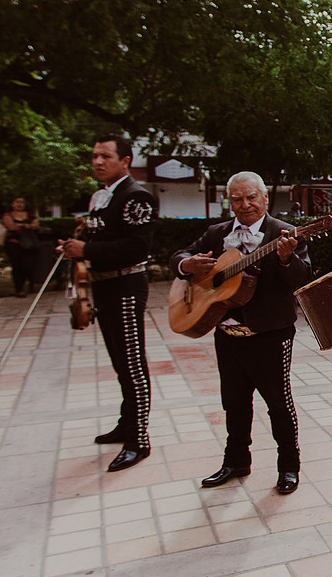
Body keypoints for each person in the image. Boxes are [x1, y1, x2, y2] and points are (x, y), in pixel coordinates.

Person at [171, 172, 311, 494]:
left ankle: (289, 467)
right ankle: (236, 461)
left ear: (264, 198)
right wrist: (188, 265)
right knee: (234, 403)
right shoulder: (217, 234)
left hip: (270, 336)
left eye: (251, 197)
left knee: (279, 403)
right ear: (229, 201)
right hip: (226, 335)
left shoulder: (285, 233)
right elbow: (178, 258)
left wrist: (287, 259)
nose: (244, 204)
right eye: (237, 199)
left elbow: (302, 278)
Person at [60, 135, 156, 472]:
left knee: (132, 362)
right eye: (95, 156)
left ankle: (138, 440)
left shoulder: (137, 196)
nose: (98, 162)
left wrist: (85, 250)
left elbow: (136, 248)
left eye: (106, 156)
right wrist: (78, 244)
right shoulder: (100, 196)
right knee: (119, 361)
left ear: (126, 160)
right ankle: (125, 422)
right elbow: (102, 238)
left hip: (127, 285)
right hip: (103, 286)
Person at [0, 197, 40, 296]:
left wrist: (26, 226)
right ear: (12, 204)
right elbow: (11, 226)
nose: (19, 204)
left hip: (28, 244)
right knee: (16, 266)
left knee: (28, 265)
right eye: (17, 202)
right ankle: (19, 289)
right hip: (13, 244)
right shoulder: (8, 215)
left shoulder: (30, 215)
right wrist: (24, 226)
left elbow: (36, 225)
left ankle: (30, 284)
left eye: (22, 202)